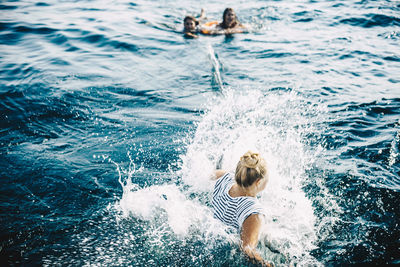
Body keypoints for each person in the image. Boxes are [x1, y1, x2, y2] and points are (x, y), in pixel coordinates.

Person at [212, 151, 273, 267]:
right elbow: (247, 250)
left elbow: (210, 174)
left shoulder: (224, 177)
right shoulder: (253, 212)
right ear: (258, 182)